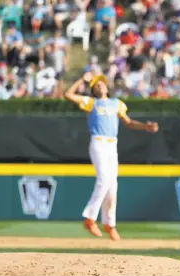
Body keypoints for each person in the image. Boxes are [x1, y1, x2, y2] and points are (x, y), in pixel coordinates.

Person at [64, 72, 159, 241]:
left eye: (101, 83)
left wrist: (146, 126)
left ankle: (109, 224)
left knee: (112, 186)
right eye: (96, 84)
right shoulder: (91, 102)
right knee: (104, 180)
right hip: (98, 142)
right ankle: (90, 218)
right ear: (93, 90)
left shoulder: (117, 104)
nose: (99, 84)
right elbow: (68, 95)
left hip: (112, 145)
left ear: (107, 87)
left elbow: (129, 123)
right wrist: (81, 80)